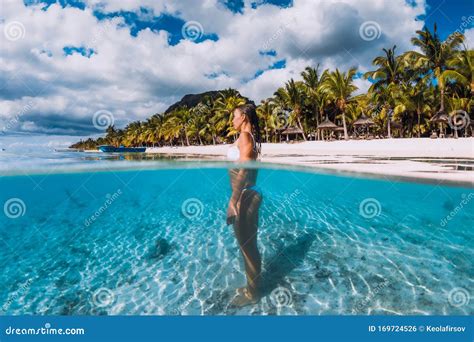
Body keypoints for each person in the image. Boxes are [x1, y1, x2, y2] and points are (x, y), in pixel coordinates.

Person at [226, 103, 263, 307]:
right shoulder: (247, 138)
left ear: (244, 118)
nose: (232, 120)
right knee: (247, 246)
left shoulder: (246, 137)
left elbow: (243, 171)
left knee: (248, 248)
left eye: (235, 116)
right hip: (246, 195)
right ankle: (252, 286)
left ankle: (253, 294)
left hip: (245, 197)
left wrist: (233, 201)